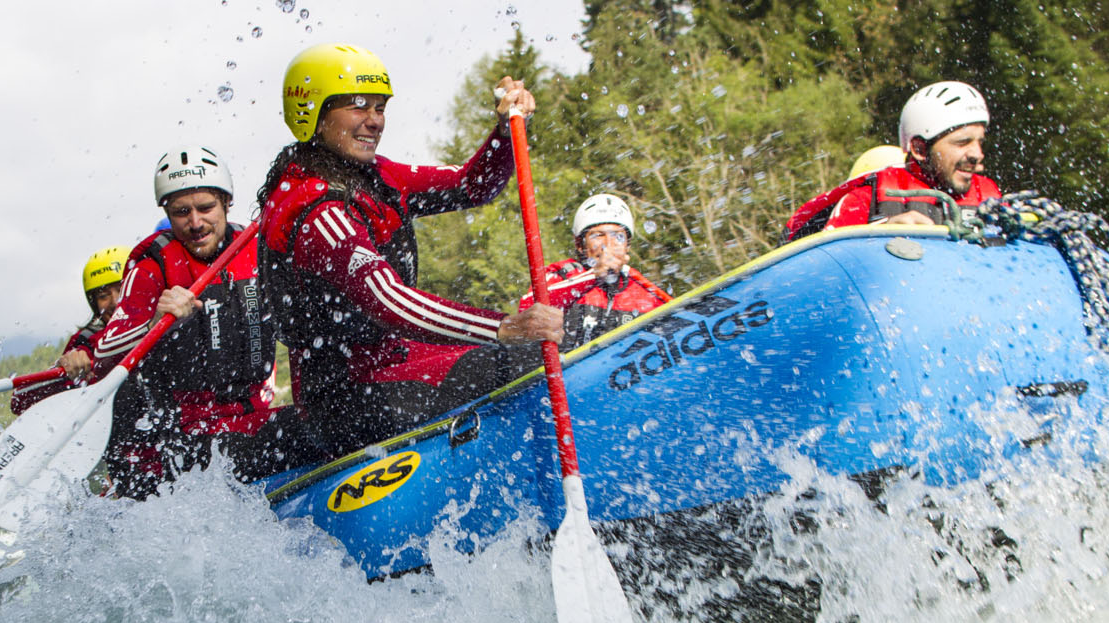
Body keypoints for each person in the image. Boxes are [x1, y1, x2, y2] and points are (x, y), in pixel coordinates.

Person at [256, 43, 563, 456]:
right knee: (528, 358)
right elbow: (390, 301)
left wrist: (504, 135)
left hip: (398, 362)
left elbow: (472, 186)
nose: (374, 121)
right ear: (314, 113)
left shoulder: (376, 176)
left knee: (576, 329)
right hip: (350, 400)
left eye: (380, 108)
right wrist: (503, 328)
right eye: (358, 107)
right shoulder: (316, 213)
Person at [80, 146, 320, 492]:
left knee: (331, 423)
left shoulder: (257, 246)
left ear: (226, 202)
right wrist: (154, 323)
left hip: (255, 420)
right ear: (167, 212)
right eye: (181, 212)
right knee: (303, 437)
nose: (195, 223)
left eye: (206, 208)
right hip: (186, 440)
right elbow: (103, 354)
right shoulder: (153, 264)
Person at [783, 81, 1003, 241]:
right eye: (962, 142)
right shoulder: (867, 198)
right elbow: (825, 264)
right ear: (919, 149)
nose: (977, 154)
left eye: (979, 142)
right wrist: (879, 234)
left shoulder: (989, 196)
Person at [517, 193, 672, 348]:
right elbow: (526, 311)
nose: (608, 244)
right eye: (598, 236)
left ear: (627, 245)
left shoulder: (644, 293)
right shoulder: (562, 275)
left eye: (618, 236)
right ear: (580, 244)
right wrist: (594, 275)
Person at [8, 246, 130, 415]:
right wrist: (64, 370)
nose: (115, 301)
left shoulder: (166, 324)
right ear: (94, 304)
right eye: (103, 295)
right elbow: (19, 401)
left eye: (122, 288)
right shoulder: (87, 343)